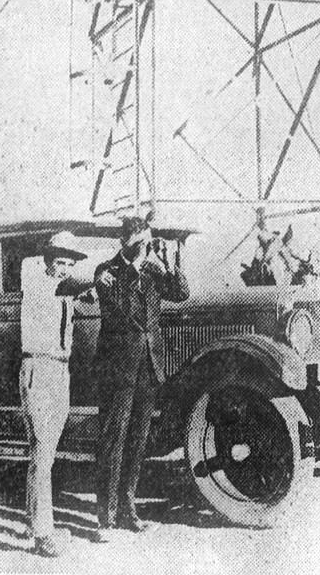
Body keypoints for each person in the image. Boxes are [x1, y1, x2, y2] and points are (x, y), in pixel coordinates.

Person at [93, 215, 190, 542]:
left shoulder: (152, 270)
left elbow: (181, 293)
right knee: (113, 441)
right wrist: (136, 265)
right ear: (124, 243)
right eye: (140, 243)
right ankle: (105, 520)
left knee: (137, 442)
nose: (145, 248)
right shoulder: (107, 273)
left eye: (148, 242)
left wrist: (169, 260)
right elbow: (121, 310)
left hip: (149, 367)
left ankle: (127, 509)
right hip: (118, 369)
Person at [19, 230, 90, 557]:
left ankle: (34, 518)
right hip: (39, 369)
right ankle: (42, 533)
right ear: (48, 261)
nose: (64, 268)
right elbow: (66, 286)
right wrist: (98, 277)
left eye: (69, 263)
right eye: (59, 262)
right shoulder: (39, 282)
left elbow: (74, 291)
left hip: (60, 371)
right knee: (43, 453)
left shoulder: (66, 289)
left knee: (45, 452)